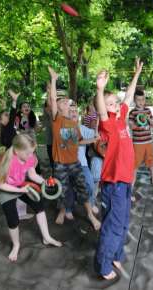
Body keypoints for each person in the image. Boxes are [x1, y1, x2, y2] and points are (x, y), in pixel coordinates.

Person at [94, 58, 143, 280]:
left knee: (123, 223)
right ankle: (103, 266)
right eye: (110, 102)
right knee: (112, 226)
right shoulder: (108, 123)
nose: (115, 104)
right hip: (113, 183)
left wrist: (136, 74)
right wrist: (100, 89)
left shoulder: (122, 117)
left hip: (124, 182)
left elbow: (129, 96)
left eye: (115, 101)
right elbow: (102, 110)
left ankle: (115, 254)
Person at [0, 134, 62, 262]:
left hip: (21, 185)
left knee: (39, 205)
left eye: (32, 152)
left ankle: (46, 237)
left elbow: (32, 174)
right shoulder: (7, 161)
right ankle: (16, 245)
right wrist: (20, 190)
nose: (30, 156)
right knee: (12, 218)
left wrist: (44, 182)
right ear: (17, 151)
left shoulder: (30, 157)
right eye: (27, 153)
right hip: (6, 189)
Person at [48, 66, 100, 230]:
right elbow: (52, 98)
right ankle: (63, 211)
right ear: (58, 108)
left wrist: (93, 137)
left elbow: (76, 142)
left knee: (83, 189)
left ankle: (90, 216)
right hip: (60, 163)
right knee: (63, 190)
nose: (64, 102)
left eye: (66, 101)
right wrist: (54, 80)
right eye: (61, 101)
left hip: (74, 162)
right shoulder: (56, 119)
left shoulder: (73, 124)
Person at [0, 90, 33, 220]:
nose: (8, 116)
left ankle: (21, 213)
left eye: (7, 115)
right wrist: (14, 101)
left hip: (13, 159)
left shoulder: (5, 130)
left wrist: (5, 104)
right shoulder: (7, 128)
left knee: (19, 184)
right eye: (5, 116)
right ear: (1, 121)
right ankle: (20, 213)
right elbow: (11, 115)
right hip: (14, 160)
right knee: (19, 184)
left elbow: (8, 115)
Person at [68, 103, 99, 215]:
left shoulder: (82, 128)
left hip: (82, 164)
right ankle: (67, 209)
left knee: (90, 185)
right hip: (68, 165)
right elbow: (76, 141)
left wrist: (98, 121)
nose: (74, 113)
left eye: (75, 111)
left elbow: (95, 134)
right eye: (70, 111)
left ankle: (90, 203)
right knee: (69, 188)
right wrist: (92, 140)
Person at [128, 89, 153, 185]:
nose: (141, 102)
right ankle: (133, 180)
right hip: (138, 143)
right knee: (135, 162)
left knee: (150, 159)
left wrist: (148, 119)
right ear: (134, 101)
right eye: (138, 100)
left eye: (143, 99)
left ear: (145, 100)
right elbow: (132, 127)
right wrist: (138, 121)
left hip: (148, 140)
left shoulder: (148, 111)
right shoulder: (132, 112)